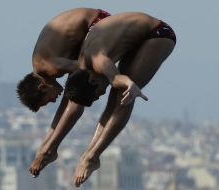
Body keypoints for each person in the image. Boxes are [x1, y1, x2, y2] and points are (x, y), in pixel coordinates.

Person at [64, 12, 176, 187]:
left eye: (97, 93)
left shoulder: (98, 61)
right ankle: (89, 154)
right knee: (116, 94)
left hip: (158, 33)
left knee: (122, 96)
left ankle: (91, 157)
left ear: (92, 80)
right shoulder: (82, 67)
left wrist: (130, 84)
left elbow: (117, 80)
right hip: (137, 37)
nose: (101, 94)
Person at [16, 8, 111, 177]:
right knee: (73, 92)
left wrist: (48, 148)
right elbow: (65, 102)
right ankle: (47, 149)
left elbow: (85, 73)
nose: (53, 101)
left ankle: (48, 150)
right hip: (89, 29)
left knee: (78, 95)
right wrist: (46, 143)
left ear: (42, 87)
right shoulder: (42, 68)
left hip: (97, 23)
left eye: (47, 100)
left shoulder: (48, 66)